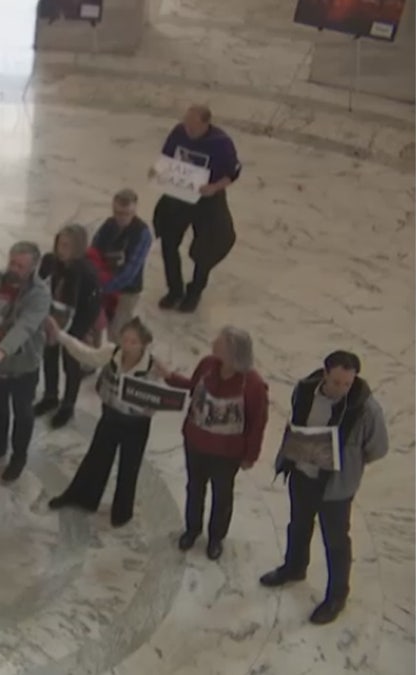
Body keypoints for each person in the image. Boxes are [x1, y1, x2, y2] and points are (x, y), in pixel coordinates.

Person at [260, 351, 389, 625]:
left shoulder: (366, 410)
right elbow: (295, 421)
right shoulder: (305, 390)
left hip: (335, 487)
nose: (342, 389)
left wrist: (349, 461)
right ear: (325, 374)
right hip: (303, 473)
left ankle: (337, 596)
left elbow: (378, 448)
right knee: (298, 525)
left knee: (336, 542)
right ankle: (294, 567)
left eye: (347, 384)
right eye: (336, 382)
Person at [157, 326, 268, 560]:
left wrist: (250, 455)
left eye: (221, 341)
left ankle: (216, 537)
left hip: (226, 453)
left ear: (232, 351)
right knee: (194, 488)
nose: (214, 342)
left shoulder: (253, 384)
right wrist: (169, 377)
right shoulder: (208, 365)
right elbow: (192, 385)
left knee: (222, 494)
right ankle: (192, 529)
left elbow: (257, 422)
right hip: (196, 442)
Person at [44, 316, 159, 527]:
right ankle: (82, 497)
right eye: (125, 339)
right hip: (111, 415)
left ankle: (122, 512)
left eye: (133, 342)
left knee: (129, 467)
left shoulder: (154, 366)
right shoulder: (112, 353)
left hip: (136, 423)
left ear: (144, 344)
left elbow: (163, 396)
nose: (127, 346)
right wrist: (60, 335)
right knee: (96, 457)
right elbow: (86, 354)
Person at [150, 105, 240, 313]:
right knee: (168, 241)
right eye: (186, 123)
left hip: (207, 200)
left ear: (206, 124)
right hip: (179, 195)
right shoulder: (179, 132)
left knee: (206, 249)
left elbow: (232, 172)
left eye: (193, 126)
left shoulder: (221, 143)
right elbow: (167, 158)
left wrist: (215, 187)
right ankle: (174, 289)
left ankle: (195, 291)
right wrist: (157, 171)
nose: (187, 129)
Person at [0, 241, 52, 481]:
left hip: (22, 364)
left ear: (33, 267)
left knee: (23, 413)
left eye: (20, 265)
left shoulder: (39, 293)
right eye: (12, 262)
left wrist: (4, 350)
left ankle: (19, 457)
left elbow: (26, 325)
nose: (14, 269)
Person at [33, 226, 101, 430]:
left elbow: (90, 306)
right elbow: (40, 286)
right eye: (60, 244)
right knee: (49, 356)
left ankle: (68, 405)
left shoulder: (86, 271)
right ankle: (50, 396)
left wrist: (71, 332)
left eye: (66, 246)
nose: (61, 249)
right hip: (51, 318)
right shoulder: (49, 261)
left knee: (71, 365)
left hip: (76, 323)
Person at [91, 189, 152, 341]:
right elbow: (93, 250)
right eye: (117, 213)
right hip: (103, 281)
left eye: (126, 214)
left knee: (116, 333)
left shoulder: (142, 233)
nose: (121, 218)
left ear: (135, 210)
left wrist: (105, 287)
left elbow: (130, 272)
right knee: (94, 325)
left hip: (127, 291)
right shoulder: (108, 225)